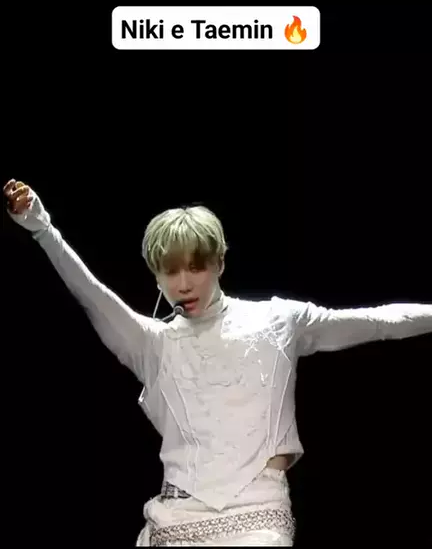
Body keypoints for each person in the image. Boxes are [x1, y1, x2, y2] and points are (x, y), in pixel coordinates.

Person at [3, 178, 432, 547]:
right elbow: (91, 293)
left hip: (258, 516)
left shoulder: (279, 320)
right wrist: (43, 228)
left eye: (196, 268)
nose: (183, 284)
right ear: (155, 275)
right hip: (176, 518)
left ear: (220, 262)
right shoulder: (152, 343)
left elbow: (379, 322)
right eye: (170, 271)